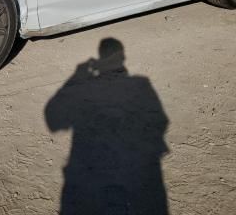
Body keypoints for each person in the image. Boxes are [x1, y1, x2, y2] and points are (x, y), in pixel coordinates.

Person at [45, 38, 169, 214]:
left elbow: (53, 120)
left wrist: (77, 75)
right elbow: (160, 122)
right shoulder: (141, 84)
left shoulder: (137, 84)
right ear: (123, 57)